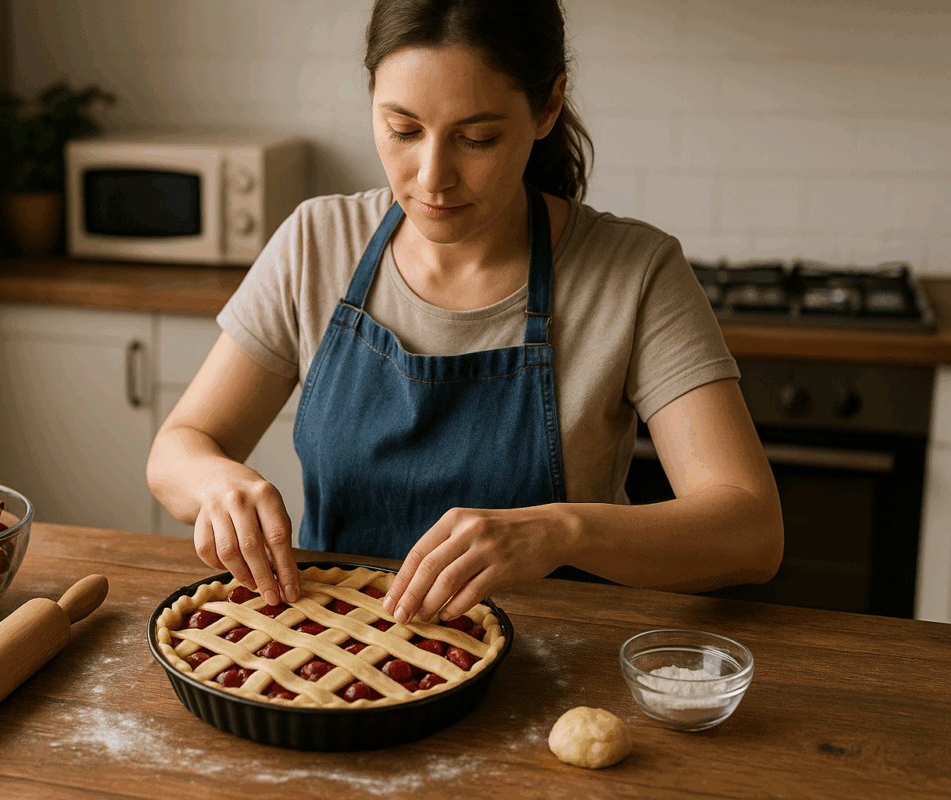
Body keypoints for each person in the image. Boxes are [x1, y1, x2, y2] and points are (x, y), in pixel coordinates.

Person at [146, 0, 783, 627]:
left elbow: (750, 532)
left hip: (554, 671)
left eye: (477, 138)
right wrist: (215, 484)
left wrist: (561, 530)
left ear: (548, 106)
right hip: (329, 665)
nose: (432, 177)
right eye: (402, 130)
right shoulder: (317, 242)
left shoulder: (634, 273)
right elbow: (178, 449)